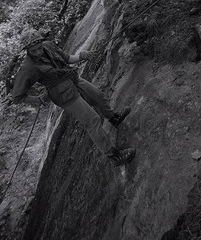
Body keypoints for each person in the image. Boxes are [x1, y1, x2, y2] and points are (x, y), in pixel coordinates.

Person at [12, 28, 136, 166]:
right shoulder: (28, 68)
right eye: (33, 50)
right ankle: (114, 156)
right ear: (27, 50)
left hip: (72, 78)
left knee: (98, 96)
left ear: (41, 42)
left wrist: (81, 56)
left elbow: (66, 58)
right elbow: (17, 97)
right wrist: (38, 99)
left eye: (39, 47)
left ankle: (114, 118)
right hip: (63, 94)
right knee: (92, 120)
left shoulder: (48, 45)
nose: (38, 51)